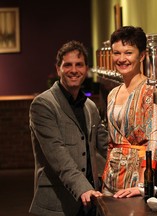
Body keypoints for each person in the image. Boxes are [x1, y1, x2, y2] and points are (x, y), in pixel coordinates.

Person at [29, 40, 108, 216]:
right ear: (58, 69)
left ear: (86, 69)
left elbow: (106, 146)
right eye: (68, 65)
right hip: (57, 205)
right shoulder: (43, 104)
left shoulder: (90, 106)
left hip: (90, 203)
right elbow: (58, 155)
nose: (74, 70)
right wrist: (83, 189)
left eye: (79, 65)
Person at [101, 26, 157, 198]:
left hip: (135, 183)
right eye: (116, 53)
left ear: (141, 55)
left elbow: (154, 139)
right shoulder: (113, 93)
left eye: (128, 53)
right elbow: (111, 142)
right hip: (110, 179)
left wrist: (143, 185)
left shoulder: (149, 90)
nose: (121, 59)